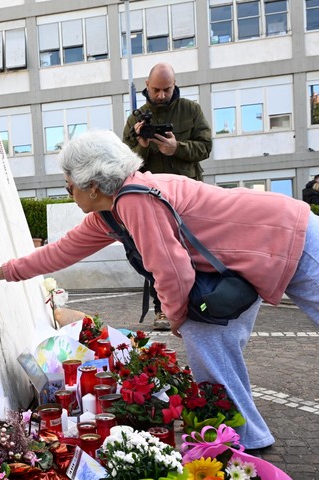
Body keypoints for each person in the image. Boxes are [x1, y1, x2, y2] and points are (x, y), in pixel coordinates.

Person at [0, 130, 319, 451]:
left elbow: (171, 270)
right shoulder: (112, 211)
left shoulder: (135, 201)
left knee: (198, 330)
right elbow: (63, 250)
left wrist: (176, 315)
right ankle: (245, 437)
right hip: (262, 250)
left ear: (95, 186)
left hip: (293, 235)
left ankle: (242, 436)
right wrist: (5, 272)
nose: (69, 191)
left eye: (70, 186)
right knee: (207, 337)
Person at [122, 62, 213, 332]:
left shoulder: (191, 110)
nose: (161, 95)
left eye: (167, 89)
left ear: (174, 86)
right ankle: (162, 308)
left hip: (188, 196)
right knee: (156, 255)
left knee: (194, 252)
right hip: (151, 199)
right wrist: (141, 145)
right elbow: (124, 162)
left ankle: (201, 303)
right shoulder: (136, 118)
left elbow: (205, 146)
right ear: (146, 87)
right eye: (156, 90)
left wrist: (177, 148)